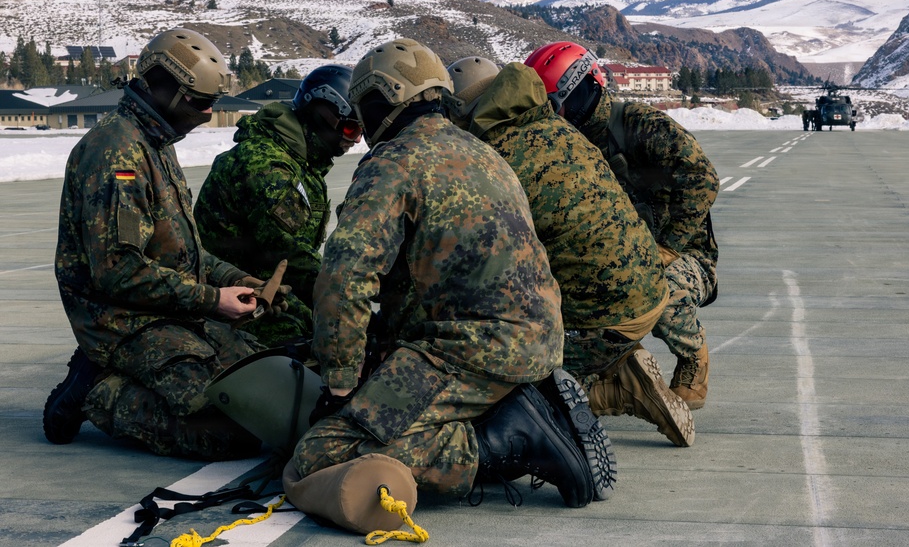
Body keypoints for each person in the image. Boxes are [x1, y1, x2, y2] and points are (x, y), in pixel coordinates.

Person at [291, 38, 614, 509]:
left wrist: (340, 383)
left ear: (381, 101)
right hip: (540, 339)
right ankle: (515, 407)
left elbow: (344, 280)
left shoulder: (392, 163)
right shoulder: (483, 153)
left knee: (321, 452)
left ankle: (508, 439)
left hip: (473, 350)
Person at [44, 28, 279, 459]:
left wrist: (237, 280)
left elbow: (182, 252)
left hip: (168, 309)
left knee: (266, 391)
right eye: (201, 102)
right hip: (121, 321)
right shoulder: (117, 153)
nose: (208, 113)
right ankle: (97, 387)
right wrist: (213, 300)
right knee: (229, 432)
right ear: (166, 90)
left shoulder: (156, 143)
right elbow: (118, 271)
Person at [445, 56, 693, 447]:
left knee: (511, 401)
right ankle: (614, 360)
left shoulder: (493, 158)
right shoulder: (556, 126)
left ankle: (617, 390)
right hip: (647, 294)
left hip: (604, 318)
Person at [526, 42, 720, 410]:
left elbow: (703, 179)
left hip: (683, 255)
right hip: (615, 254)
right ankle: (615, 373)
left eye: (555, 105)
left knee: (659, 287)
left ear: (579, 93)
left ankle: (693, 358)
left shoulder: (638, 125)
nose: (554, 115)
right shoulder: (563, 144)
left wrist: (669, 246)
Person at [195, 64, 362, 348]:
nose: (356, 139)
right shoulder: (267, 165)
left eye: (361, 129)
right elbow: (292, 258)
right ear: (320, 115)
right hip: (237, 300)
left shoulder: (300, 159)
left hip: (266, 290)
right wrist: (353, 299)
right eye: (350, 127)